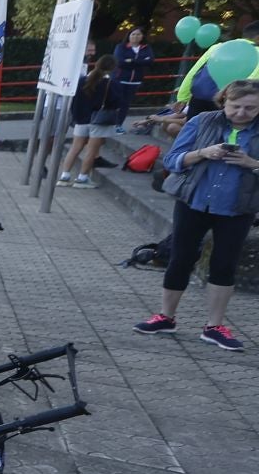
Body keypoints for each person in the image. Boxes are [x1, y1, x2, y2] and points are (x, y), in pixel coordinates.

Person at [134, 79, 259, 351]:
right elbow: (172, 160)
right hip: (194, 201)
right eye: (235, 106)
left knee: (224, 265)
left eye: (250, 109)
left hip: (238, 208)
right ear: (223, 101)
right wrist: (202, 153)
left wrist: (252, 164)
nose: (241, 113)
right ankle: (165, 317)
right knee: (180, 258)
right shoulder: (203, 121)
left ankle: (214, 326)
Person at [58, 55, 129, 189]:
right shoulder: (111, 84)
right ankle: (82, 178)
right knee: (91, 150)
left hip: (81, 119)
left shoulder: (82, 81)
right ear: (112, 68)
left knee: (74, 148)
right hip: (99, 120)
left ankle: (64, 176)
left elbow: (75, 102)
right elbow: (117, 102)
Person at [112, 28, 154, 130]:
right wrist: (139, 62)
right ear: (129, 36)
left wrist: (131, 61)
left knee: (125, 104)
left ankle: (119, 125)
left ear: (142, 36)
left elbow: (150, 61)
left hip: (135, 81)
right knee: (115, 102)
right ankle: (109, 123)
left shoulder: (146, 48)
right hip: (120, 79)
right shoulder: (121, 47)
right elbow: (120, 62)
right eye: (133, 34)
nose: (135, 36)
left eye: (138, 34)